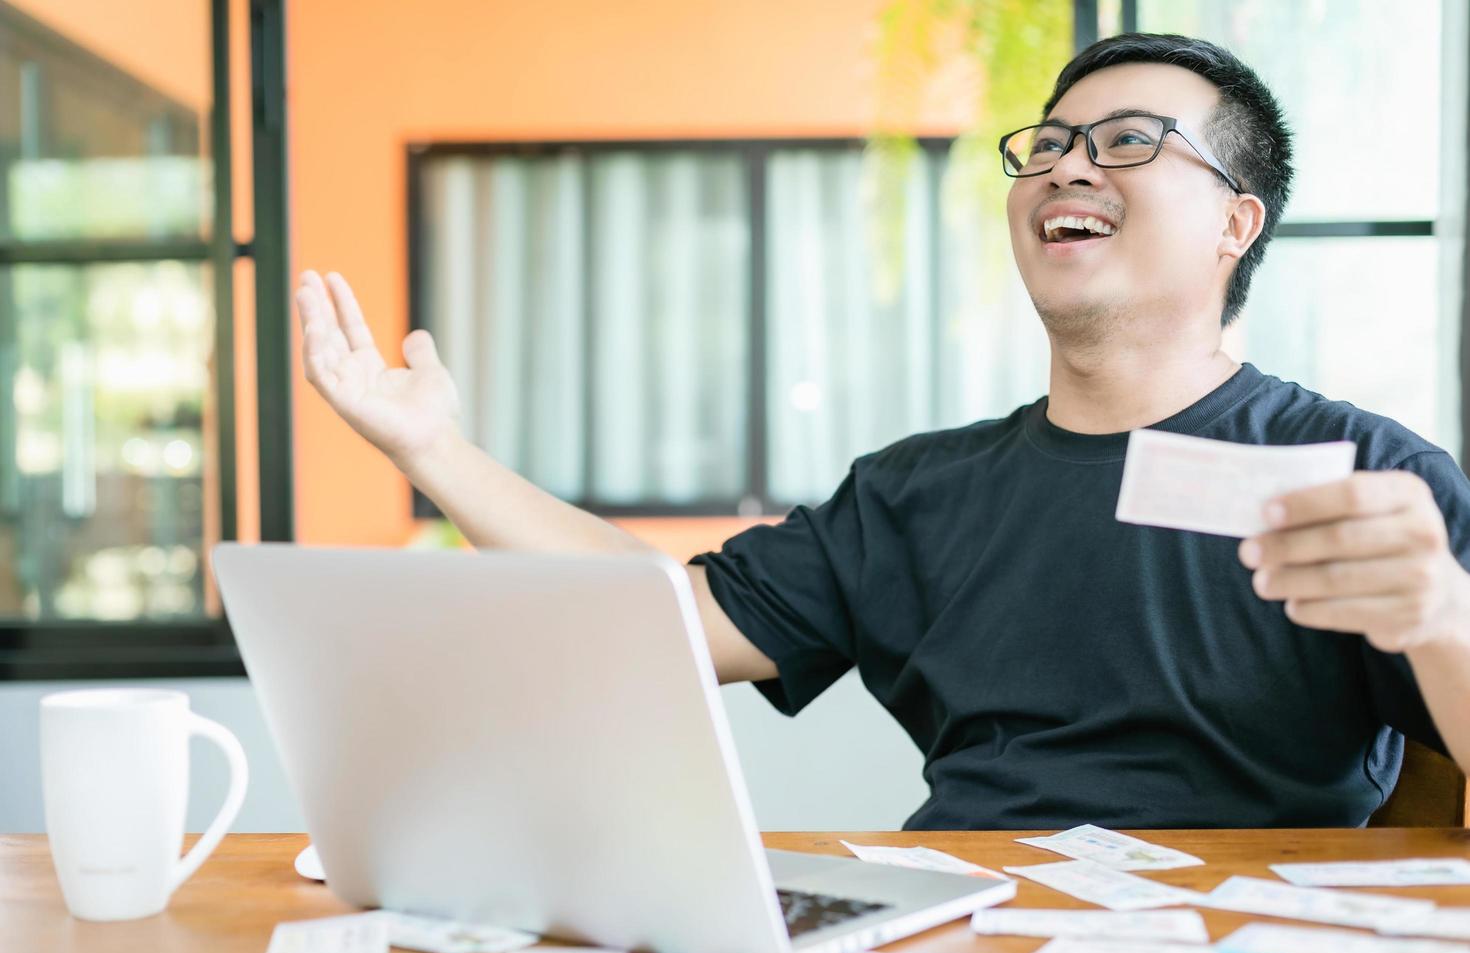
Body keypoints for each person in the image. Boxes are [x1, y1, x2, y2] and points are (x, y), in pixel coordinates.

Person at [295, 33, 1470, 829]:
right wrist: (431, 451)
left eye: (1128, 142)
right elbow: (658, 623)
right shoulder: (921, 491)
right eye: (1049, 143)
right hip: (962, 931)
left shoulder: (1368, 476)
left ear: (1236, 222)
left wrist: (1442, 614)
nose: (1068, 164)